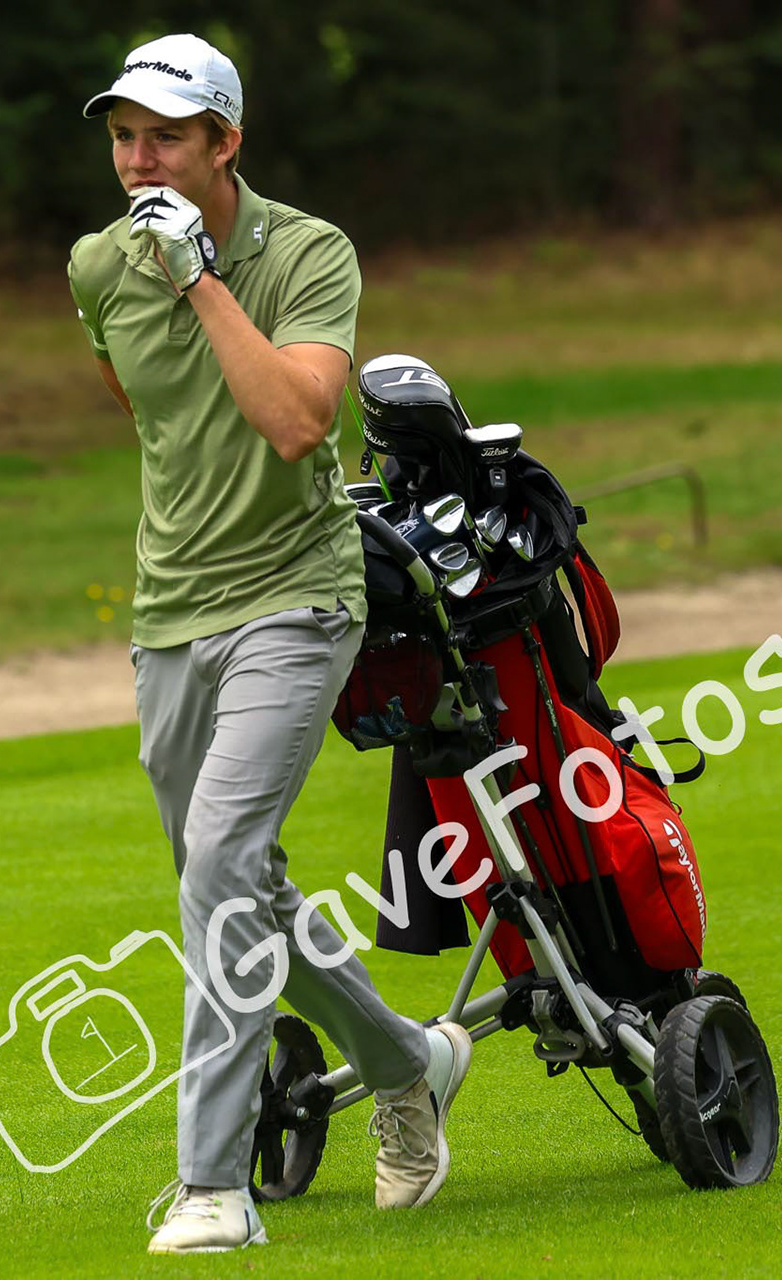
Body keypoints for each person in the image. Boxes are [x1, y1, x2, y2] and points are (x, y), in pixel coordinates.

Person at [67, 34, 473, 1256]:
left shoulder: (306, 252)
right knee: (239, 884)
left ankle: (210, 1182)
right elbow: (147, 415)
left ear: (225, 143)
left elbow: (297, 421)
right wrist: (156, 272)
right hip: (167, 614)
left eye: (169, 139)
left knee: (218, 862)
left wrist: (201, 278)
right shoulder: (97, 265)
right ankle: (410, 1060)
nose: (141, 160)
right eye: (126, 136)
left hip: (298, 599)